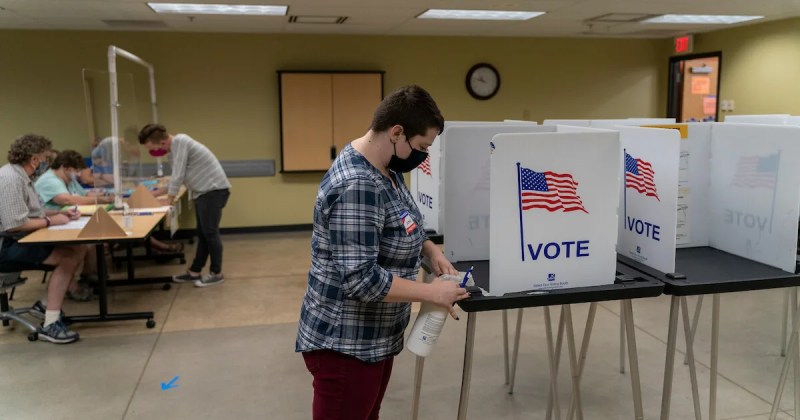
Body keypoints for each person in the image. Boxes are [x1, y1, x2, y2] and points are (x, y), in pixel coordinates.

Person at [295, 85, 469, 419]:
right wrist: (432, 291)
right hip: (346, 343)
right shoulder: (357, 185)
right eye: (420, 147)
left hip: (374, 339)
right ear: (396, 132)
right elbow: (361, 281)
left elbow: (404, 222)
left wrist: (429, 249)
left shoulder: (385, 168)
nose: (422, 156)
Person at [0, 134, 85, 344]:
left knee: (79, 247)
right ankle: (50, 324)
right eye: (45, 158)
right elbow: (15, 224)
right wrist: (51, 222)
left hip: (16, 239)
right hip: (6, 246)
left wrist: (61, 215)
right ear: (35, 159)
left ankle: (46, 306)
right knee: (67, 257)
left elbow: (34, 212)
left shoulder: (23, 178)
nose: (47, 163)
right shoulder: (10, 179)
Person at [138, 124, 231, 287]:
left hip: (213, 191)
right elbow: (177, 178)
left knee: (210, 233)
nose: (152, 152)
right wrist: (152, 195)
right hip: (204, 193)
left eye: (151, 148)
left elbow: (178, 175)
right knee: (202, 234)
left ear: (161, 142)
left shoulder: (180, 141)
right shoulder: (173, 152)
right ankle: (194, 271)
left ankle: (216, 273)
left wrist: (169, 200)